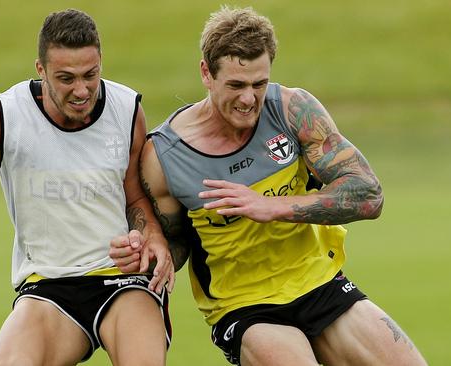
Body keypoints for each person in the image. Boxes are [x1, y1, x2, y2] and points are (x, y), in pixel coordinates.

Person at [110, 6, 428, 366]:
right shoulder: (165, 156)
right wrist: (154, 253)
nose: (249, 100)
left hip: (319, 284)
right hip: (246, 307)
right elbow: (177, 241)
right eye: (235, 85)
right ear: (206, 73)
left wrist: (272, 206)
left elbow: (369, 194)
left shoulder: (292, 110)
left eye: (258, 84)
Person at [0, 9, 174, 366]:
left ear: (101, 60)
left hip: (122, 281)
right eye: (66, 78)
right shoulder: (7, 116)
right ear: (40, 70)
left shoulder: (126, 109)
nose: (82, 90)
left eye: (91, 74)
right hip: (47, 287)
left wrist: (150, 235)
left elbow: (135, 197)